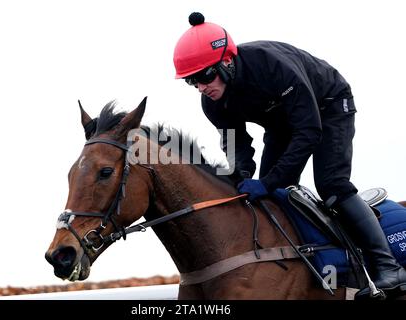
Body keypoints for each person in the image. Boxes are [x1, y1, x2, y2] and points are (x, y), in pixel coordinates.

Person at [172, 12, 406, 299]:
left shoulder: (270, 66)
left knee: (332, 185)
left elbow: (309, 131)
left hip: (329, 107)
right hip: (282, 122)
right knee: (272, 195)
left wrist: (268, 180)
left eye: (205, 75)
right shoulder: (213, 103)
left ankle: (388, 267)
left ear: (228, 61)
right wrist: (242, 177)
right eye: (191, 81)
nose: (201, 86)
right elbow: (237, 144)